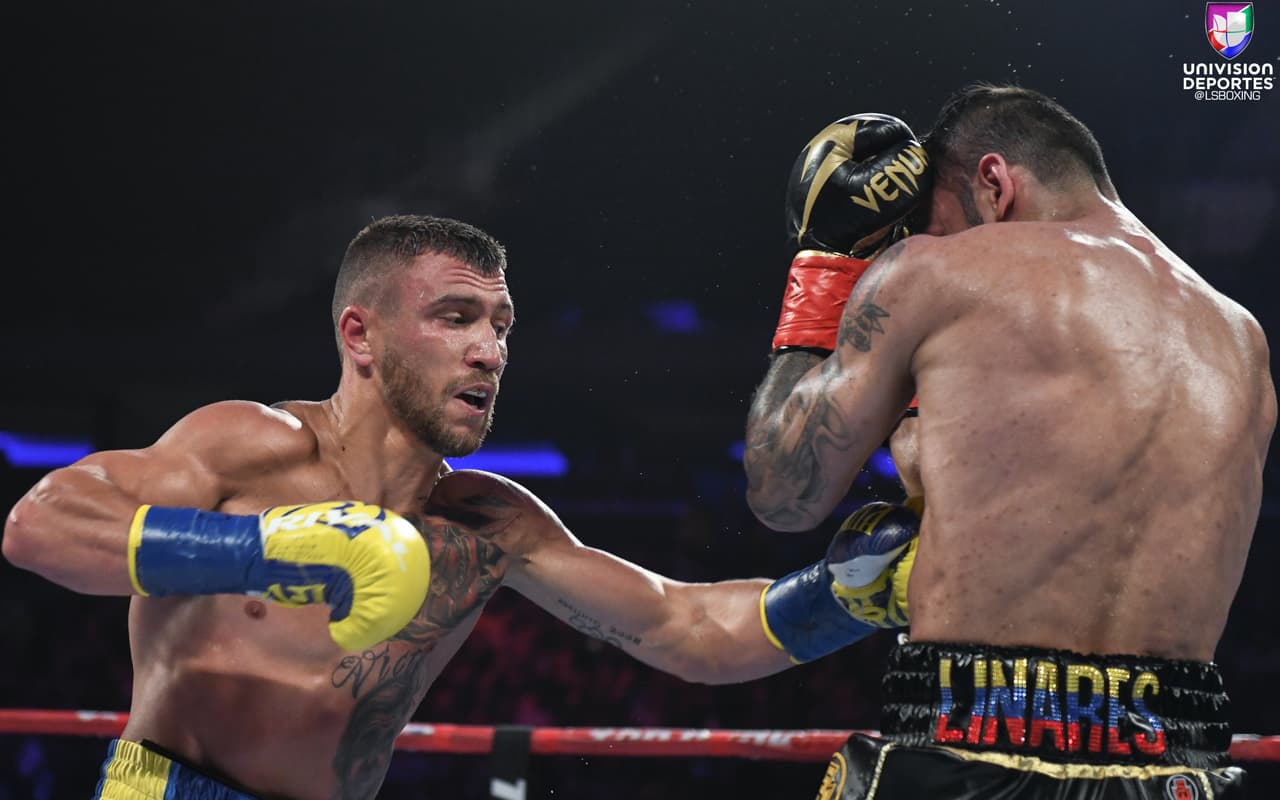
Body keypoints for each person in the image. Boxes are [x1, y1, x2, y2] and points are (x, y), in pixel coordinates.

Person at [3, 214, 913, 800]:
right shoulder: (251, 444)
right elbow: (40, 524)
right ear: (360, 335)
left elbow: (684, 627)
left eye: (501, 326)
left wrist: (840, 596)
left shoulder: (487, 524)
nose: (490, 351)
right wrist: (269, 549)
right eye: (455, 318)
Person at [743, 85, 1275, 798]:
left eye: (938, 225)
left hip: (969, 746)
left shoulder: (936, 272)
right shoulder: (1242, 338)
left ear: (994, 183)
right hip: (1178, 760)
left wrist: (826, 262)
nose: (937, 243)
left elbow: (783, 492)